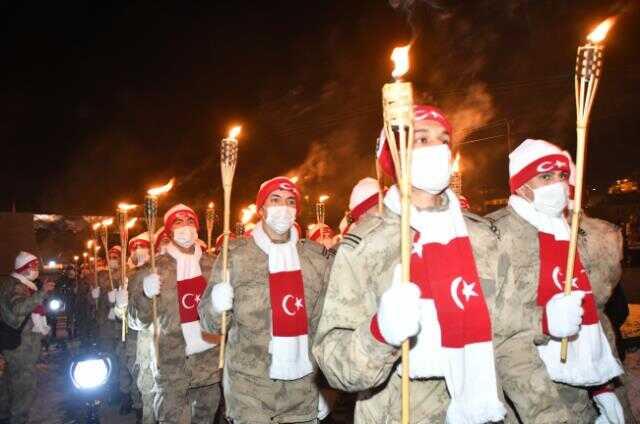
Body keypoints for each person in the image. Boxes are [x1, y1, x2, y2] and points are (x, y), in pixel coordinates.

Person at [313, 105, 506, 423]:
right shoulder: (366, 244)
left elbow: (512, 338)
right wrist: (380, 333)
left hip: (486, 411)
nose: (439, 148)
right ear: (397, 157)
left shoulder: (482, 236)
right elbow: (334, 363)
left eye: (444, 139)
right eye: (423, 139)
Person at [486, 139, 627, 423]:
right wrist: (545, 320)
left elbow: (594, 314)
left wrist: (602, 387)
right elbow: (494, 328)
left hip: (578, 391)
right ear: (522, 183)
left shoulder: (567, 233)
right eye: (546, 176)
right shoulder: (495, 235)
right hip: (521, 395)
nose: (559, 185)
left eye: (563, 176)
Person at [199, 176, 333, 424]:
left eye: (290, 201)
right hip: (249, 393)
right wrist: (216, 305)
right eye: (275, 199)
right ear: (261, 209)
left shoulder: (316, 261)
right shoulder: (235, 257)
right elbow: (211, 325)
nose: (283, 207)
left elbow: (324, 327)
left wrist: (324, 384)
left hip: (302, 391)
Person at [128, 204, 221, 424]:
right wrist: (144, 294)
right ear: (169, 231)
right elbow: (135, 322)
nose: (185, 228)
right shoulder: (153, 269)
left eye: (190, 221)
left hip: (208, 366)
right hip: (172, 367)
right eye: (178, 223)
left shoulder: (213, 265)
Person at [0, 252, 55, 424]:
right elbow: (18, 309)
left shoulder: (22, 284)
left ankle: (5, 415)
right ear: (24, 268)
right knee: (24, 387)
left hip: (19, 346)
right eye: (34, 266)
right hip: (21, 348)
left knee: (11, 383)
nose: (36, 270)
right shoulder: (16, 286)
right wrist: (41, 293)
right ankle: (17, 419)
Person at [117, 231, 156, 424]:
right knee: (137, 373)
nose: (139, 251)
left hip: (159, 336)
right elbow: (122, 313)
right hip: (134, 336)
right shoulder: (127, 277)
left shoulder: (157, 271)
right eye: (135, 248)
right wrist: (119, 306)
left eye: (143, 247)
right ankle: (138, 407)